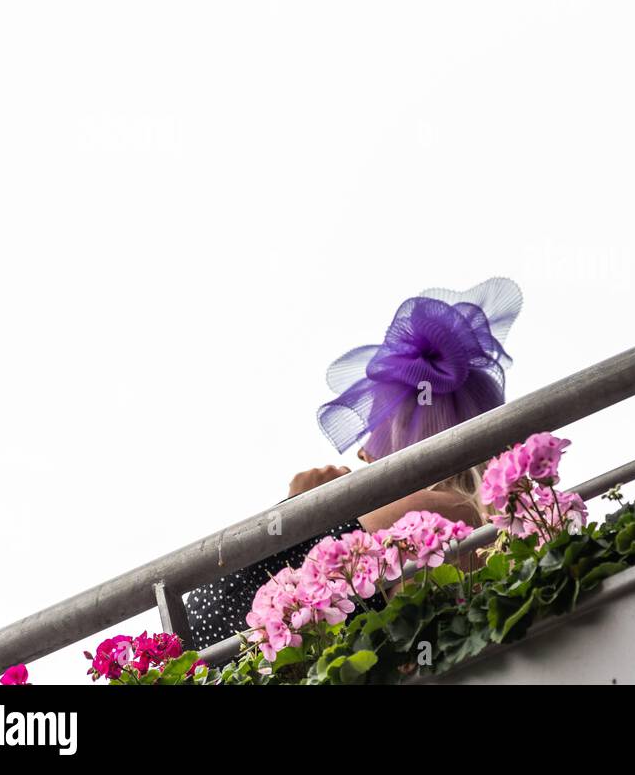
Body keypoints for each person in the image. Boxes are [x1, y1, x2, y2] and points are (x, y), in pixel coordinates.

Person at [183, 276, 523, 650]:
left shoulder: (440, 513)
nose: (362, 453)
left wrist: (304, 515)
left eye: (376, 430)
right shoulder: (446, 516)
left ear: (418, 435)